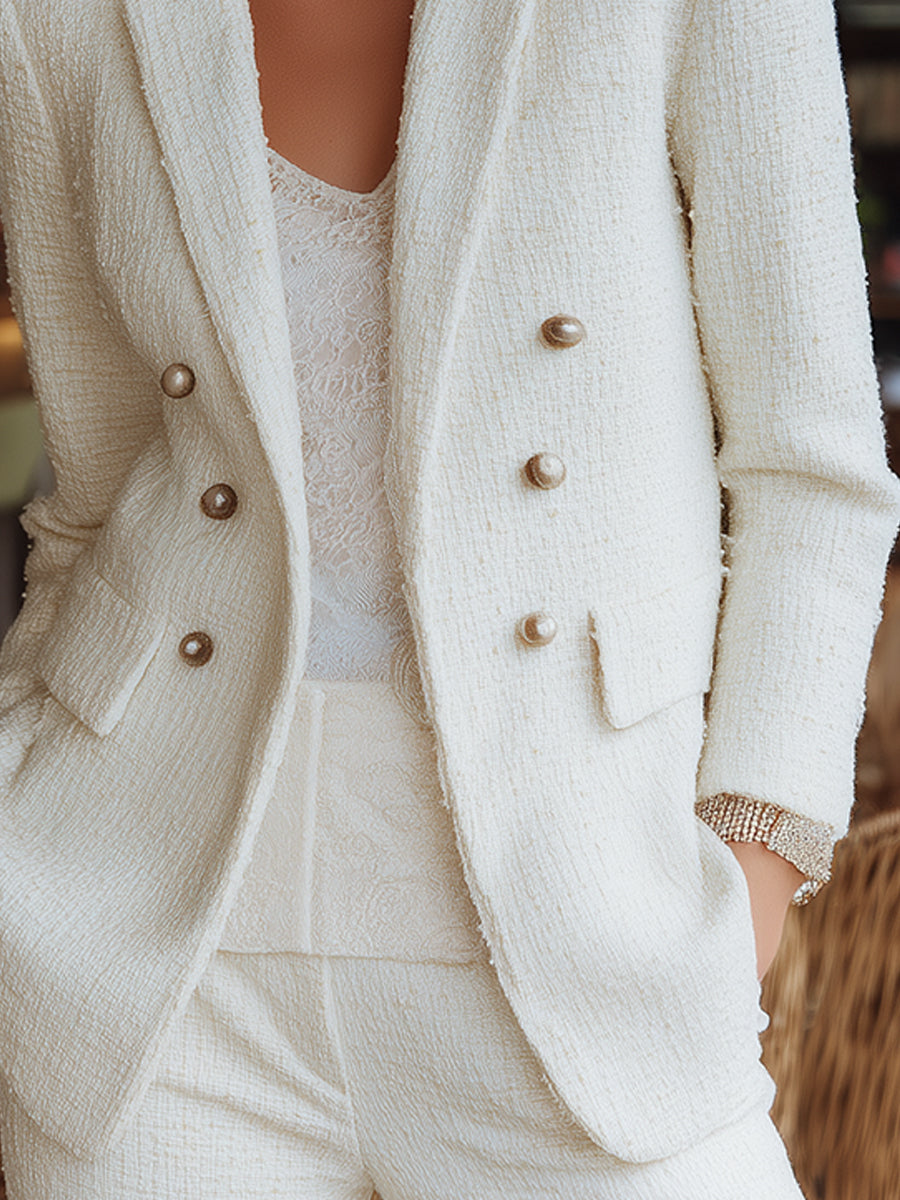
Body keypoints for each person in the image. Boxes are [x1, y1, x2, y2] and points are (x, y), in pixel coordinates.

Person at [0, 0, 897, 1195]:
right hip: (153, 961)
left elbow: (813, 469)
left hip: (584, 925)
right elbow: (97, 489)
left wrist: (755, 872)